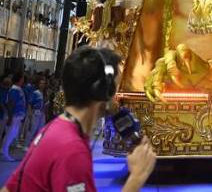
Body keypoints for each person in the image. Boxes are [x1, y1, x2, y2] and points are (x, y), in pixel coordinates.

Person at [2, 47, 157, 191]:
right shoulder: (72, 151)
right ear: (102, 92)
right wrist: (136, 178)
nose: (115, 98)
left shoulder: (56, 128)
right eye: (114, 90)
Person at [1, 72, 26, 161]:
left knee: (12, 134)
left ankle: (4, 150)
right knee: (11, 134)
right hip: (14, 116)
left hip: (17, 116)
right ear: (19, 79)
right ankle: (4, 152)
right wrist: (10, 117)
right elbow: (10, 104)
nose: (23, 80)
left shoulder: (18, 89)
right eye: (22, 78)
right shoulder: (14, 89)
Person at [24, 79, 46, 148]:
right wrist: (30, 113)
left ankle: (35, 145)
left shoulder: (45, 94)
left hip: (42, 113)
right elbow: (30, 103)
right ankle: (26, 145)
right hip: (35, 112)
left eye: (44, 83)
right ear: (38, 84)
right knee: (32, 129)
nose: (42, 85)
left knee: (40, 130)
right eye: (41, 83)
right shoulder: (35, 93)